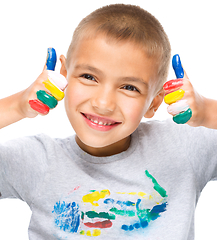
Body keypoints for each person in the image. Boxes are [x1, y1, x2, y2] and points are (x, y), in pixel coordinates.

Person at [0, 3, 217, 240]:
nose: (103, 103)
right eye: (89, 76)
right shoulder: (37, 161)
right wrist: (16, 106)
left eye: (129, 87)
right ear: (63, 75)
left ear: (154, 103)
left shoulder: (183, 148)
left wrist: (207, 111)